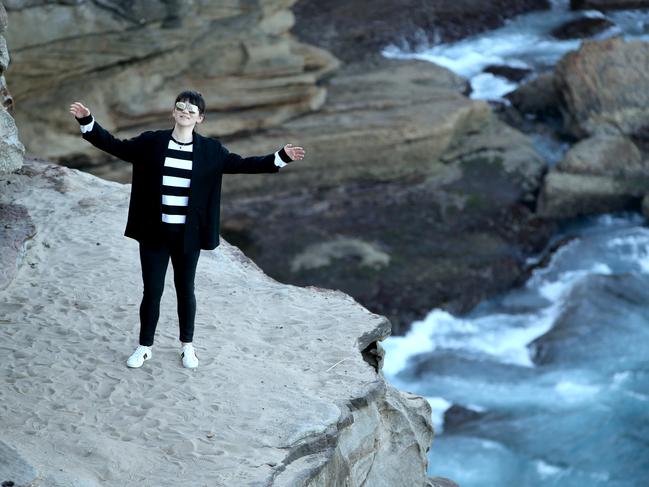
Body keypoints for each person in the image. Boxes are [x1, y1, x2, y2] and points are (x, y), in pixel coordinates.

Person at [68, 90, 305, 370]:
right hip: (155, 232)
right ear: (173, 112)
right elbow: (115, 146)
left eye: (192, 110)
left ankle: (187, 347)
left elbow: (244, 164)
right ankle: (144, 347)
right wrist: (88, 122)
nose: (185, 111)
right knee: (152, 292)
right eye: (180, 107)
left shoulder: (210, 151)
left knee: (185, 290)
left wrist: (281, 157)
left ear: (200, 118)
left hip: (187, 235)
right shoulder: (151, 143)